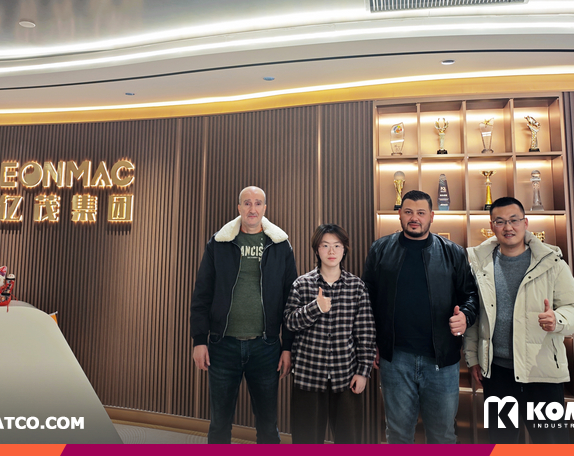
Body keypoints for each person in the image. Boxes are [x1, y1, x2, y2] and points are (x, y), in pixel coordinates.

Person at [464, 196, 574, 443]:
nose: (508, 227)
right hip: (497, 374)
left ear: (525, 222)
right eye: (500, 221)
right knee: (502, 442)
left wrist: (558, 319)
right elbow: (476, 317)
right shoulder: (479, 265)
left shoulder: (551, 262)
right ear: (491, 226)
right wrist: (473, 358)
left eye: (514, 220)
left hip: (541, 373)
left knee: (551, 444)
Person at [363, 189, 479, 444]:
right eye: (408, 212)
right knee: (398, 434)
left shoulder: (453, 252)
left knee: (443, 435)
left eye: (420, 213)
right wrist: (371, 344)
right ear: (399, 214)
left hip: (442, 361)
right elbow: (366, 300)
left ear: (431, 216)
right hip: (395, 359)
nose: (414, 218)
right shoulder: (380, 249)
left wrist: (466, 317)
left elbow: (470, 295)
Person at [189, 186, 297, 444]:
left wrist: (287, 347)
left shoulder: (280, 245)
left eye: (258, 203)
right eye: (247, 203)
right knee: (219, 425)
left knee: (268, 426)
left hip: (266, 347)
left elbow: (291, 299)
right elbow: (202, 293)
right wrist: (199, 340)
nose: (252, 208)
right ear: (239, 208)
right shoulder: (219, 243)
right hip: (222, 346)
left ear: (265, 209)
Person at [284, 224, 376, 444]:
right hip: (308, 375)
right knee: (306, 441)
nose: (331, 251)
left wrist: (363, 371)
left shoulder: (356, 287)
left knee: (349, 440)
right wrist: (315, 307)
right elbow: (289, 322)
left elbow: (366, 333)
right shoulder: (302, 284)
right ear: (317, 250)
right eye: (325, 246)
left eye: (337, 245)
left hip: (346, 376)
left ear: (344, 250)